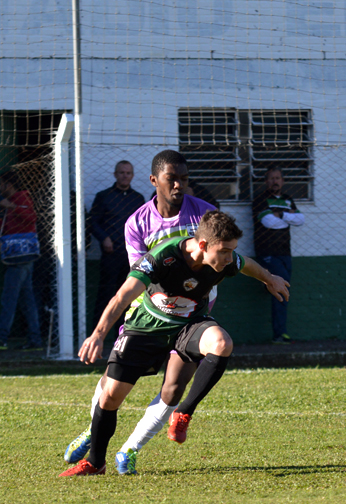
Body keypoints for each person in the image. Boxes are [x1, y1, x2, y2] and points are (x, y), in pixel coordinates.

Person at [59, 210, 289, 477]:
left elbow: (246, 263)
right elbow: (123, 295)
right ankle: (95, 462)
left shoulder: (225, 260)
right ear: (202, 245)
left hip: (189, 325)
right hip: (146, 328)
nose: (229, 259)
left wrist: (269, 278)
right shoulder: (162, 257)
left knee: (221, 343)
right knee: (109, 397)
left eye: (232, 251)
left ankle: (182, 413)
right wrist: (98, 334)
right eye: (225, 251)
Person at [63, 150, 218, 475]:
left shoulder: (206, 215)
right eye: (171, 178)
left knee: (174, 387)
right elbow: (141, 273)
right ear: (154, 181)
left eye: (184, 179)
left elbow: (223, 259)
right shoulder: (138, 222)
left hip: (194, 317)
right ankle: (95, 431)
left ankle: (130, 450)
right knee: (111, 384)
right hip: (150, 316)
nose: (179, 185)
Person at [0, 171, 42, 350]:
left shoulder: (21, 198)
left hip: (20, 257)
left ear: (8, 184)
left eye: (1, 184)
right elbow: (9, 228)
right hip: (20, 255)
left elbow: (31, 217)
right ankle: (35, 339)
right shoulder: (14, 202)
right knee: (27, 300)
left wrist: (11, 206)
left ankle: (1, 337)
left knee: (9, 298)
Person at [252, 167, 305, 344]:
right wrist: (287, 217)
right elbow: (269, 223)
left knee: (281, 288)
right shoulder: (260, 199)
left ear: (282, 181)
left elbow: (301, 220)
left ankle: (265, 284)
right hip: (267, 252)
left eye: (278, 178)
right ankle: (279, 335)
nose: (275, 181)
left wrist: (280, 214)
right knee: (281, 290)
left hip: (285, 252)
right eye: (271, 178)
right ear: (266, 181)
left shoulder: (288, 199)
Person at [90, 160, 145, 330]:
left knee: (129, 296)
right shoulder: (104, 196)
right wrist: (104, 238)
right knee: (106, 295)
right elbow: (92, 222)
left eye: (128, 173)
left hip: (132, 258)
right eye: (121, 172)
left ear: (132, 176)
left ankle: (124, 335)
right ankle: (99, 333)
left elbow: (143, 226)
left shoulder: (138, 199)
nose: (125, 176)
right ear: (115, 174)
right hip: (111, 254)